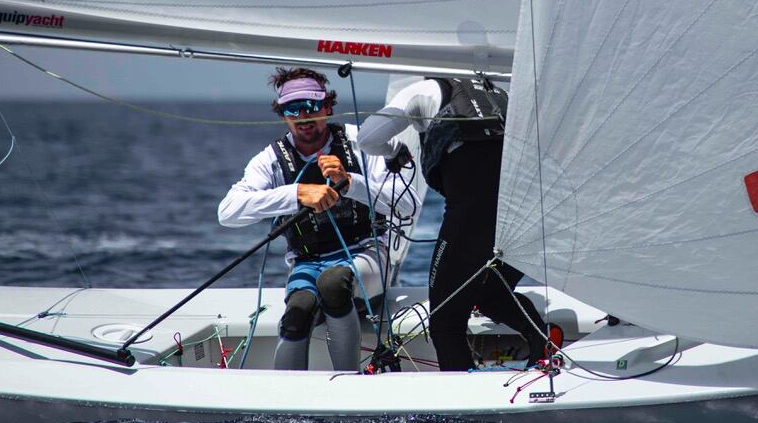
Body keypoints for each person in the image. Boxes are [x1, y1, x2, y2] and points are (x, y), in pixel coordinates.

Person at [218, 67, 418, 371]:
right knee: (298, 311)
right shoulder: (271, 159)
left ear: (327, 106)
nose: (303, 117)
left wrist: (351, 182)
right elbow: (228, 212)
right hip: (307, 261)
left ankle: (347, 382)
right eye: (292, 109)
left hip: (366, 255)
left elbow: (408, 205)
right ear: (282, 113)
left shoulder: (358, 141)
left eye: (311, 106)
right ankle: (287, 405)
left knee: (333, 283)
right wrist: (297, 193)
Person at [358, 76, 548, 371]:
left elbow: (368, 138)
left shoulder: (419, 91)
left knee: (446, 321)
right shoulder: (501, 95)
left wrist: (394, 151)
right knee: (489, 293)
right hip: (532, 214)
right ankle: (543, 347)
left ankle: (463, 406)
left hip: (475, 214)